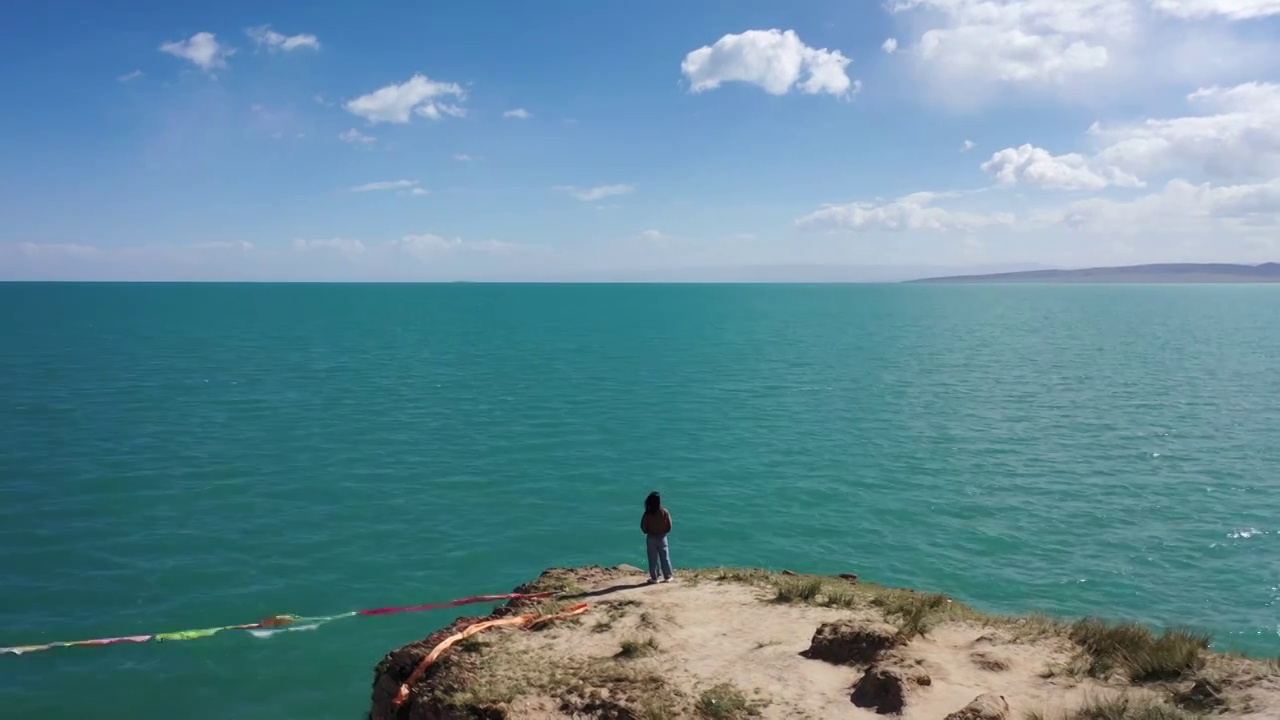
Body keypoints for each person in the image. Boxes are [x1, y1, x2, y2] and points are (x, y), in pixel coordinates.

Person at [640, 491, 674, 583]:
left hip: (651, 537)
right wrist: (665, 531)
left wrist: (647, 531)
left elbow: (643, 526)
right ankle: (668, 576)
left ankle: (654, 578)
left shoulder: (647, 514)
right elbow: (669, 526)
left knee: (652, 559)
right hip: (662, 537)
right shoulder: (664, 512)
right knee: (665, 557)